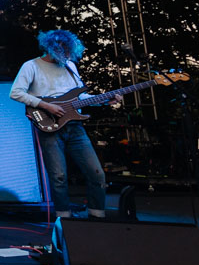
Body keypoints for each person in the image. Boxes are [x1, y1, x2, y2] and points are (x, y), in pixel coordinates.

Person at [10, 29, 120, 219]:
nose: (68, 55)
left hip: (74, 126)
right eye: (65, 50)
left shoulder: (69, 66)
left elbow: (80, 96)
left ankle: (97, 215)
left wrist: (103, 99)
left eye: (70, 51)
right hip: (49, 126)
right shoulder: (31, 66)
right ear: (52, 48)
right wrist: (46, 106)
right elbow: (16, 93)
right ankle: (64, 219)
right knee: (59, 177)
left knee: (97, 173)